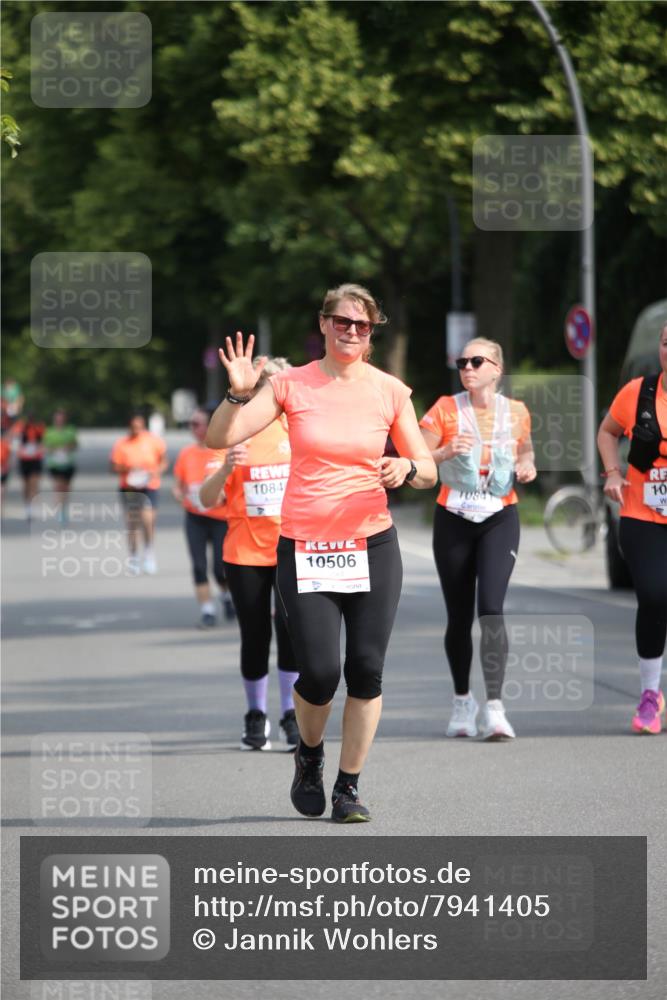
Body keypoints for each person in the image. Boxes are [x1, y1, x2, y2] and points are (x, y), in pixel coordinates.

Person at [206, 283, 437, 823]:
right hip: (306, 546)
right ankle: (308, 756)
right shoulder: (291, 385)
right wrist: (238, 393)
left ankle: (348, 787)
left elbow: (427, 468)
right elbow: (222, 436)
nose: (351, 331)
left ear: (372, 331)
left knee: (366, 668)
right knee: (318, 673)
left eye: (362, 325)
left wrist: (406, 467)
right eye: (341, 321)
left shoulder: (390, 391)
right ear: (325, 324)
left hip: (372, 543)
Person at [420, 337, 536, 741]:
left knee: (491, 609)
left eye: (475, 361)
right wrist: (446, 451)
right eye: (462, 362)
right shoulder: (444, 409)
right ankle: (461, 702)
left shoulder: (516, 412)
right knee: (458, 615)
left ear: (496, 369)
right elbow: (416, 461)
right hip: (453, 517)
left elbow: (526, 451)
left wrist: (526, 465)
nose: (467, 368)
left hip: (499, 517)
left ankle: (495, 709)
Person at [201, 358, 299, 752]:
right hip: (244, 553)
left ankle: (291, 712)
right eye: (263, 384)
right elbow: (205, 499)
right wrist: (225, 469)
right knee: (255, 636)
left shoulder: (297, 428)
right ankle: (255, 714)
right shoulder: (233, 430)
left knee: (292, 636)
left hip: (292, 548)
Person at [597, 323, 667, 734]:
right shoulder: (638, 392)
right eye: (665, 344)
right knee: (655, 595)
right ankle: (649, 695)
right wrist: (612, 472)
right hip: (642, 513)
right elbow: (607, 432)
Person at [172, 407, 234, 628]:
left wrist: (221, 495)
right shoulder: (186, 453)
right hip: (195, 517)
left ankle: (226, 595)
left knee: (219, 568)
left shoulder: (223, 450)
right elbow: (178, 486)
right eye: (192, 424)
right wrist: (180, 495)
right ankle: (207, 610)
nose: (194, 428)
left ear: (211, 425)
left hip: (220, 518)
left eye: (198, 424)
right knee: (199, 566)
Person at [110, 413, 168, 575]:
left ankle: (149, 553)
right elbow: (113, 467)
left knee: (148, 521)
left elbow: (163, 461)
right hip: (129, 486)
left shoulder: (153, 441)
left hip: (149, 485)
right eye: (134, 427)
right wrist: (129, 468)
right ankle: (134, 556)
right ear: (129, 427)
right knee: (132, 523)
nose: (137, 430)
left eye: (139, 427)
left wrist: (157, 471)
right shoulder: (122, 444)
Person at [44, 408, 78, 522]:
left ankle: (64, 507)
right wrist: (54, 449)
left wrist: (67, 448)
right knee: (58, 486)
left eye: (61, 419)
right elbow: (44, 447)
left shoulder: (71, 430)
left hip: (68, 463)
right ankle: (60, 509)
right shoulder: (49, 431)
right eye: (57, 419)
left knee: (66, 488)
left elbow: (75, 445)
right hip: (55, 464)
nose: (59, 421)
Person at [15, 413, 46, 520]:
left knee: (34, 484)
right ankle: (27, 507)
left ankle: (33, 508)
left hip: (35, 460)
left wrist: (40, 450)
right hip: (24, 460)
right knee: (26, 486)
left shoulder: (39, 428)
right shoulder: (21, 428)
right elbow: (15, 441)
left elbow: (43, 442)